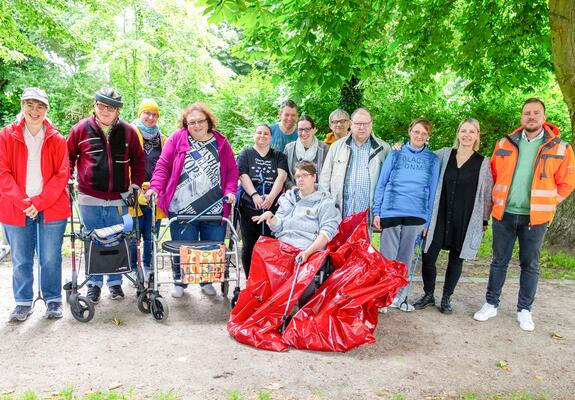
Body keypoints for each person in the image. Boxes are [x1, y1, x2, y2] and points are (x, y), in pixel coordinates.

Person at [473, 98, 575, 331]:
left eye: (536, 113)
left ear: (544, 117)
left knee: (530, 264)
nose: (531, 116)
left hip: (535, 218)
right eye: (527, 113)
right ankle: (490, 304)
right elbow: (494, 176)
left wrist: (550, 202)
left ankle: (524, 310)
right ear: (521, 117)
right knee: (499, 261)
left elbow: (568, 182)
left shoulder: (560, 147)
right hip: (504, 213)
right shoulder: (504, 143)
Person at [145, 102, 238, 297]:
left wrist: (230, 190)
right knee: (183, 245)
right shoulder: (177, 139)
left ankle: (207, 282)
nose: (196, 125)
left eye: (200, 121)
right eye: (191, 122)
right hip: (182, 206)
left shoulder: (221, 142)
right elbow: (163, 166)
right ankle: (180, 283)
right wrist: (154, 187)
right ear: (186, 124)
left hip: (214, 207)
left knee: (212, 247)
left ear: (208, 122)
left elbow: (231, 170)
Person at [68, 87, 145, 303]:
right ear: (94, 106)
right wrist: (69, 178)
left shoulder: (129, 131)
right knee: (93, 240)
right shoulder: (80, 129)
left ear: (118, 111)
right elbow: (69, 156)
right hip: (89, 197)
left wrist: (135, 184)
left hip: (120, 198)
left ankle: (115, 283)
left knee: (116, 240)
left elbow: (139, 161)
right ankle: (93, 284)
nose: (105, 111)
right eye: (101, 106)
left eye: (110, 108)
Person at [0, 88, 70, 321]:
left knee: (50, 257)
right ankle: (22, 302)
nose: (34, 110)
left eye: (40, 106)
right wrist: (23, 202)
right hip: (15, 206)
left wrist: (38, 203)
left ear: (46, 109)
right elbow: (3, 173)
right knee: (21, 258)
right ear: (22, 106)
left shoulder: (57, 138)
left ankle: (53, 300)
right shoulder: (6, 136)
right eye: (30, 104)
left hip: (50, 207)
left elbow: (62, 175)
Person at [413, 118, 493, 314]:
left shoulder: (483, 163)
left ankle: (447, 297)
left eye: (471, 132)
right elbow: (420, 158)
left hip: (464, 217)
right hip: (439, 214)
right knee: (428, 255)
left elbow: (486, 194)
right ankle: (429, 294)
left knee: (457, 259)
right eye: (463, 131)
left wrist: (483, 219)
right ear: (458, 133)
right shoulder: (443, 155)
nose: (467, 135)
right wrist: (401, 147)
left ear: (477, 135)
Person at [372, 118, 440, 312]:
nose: (419, 136)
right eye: (416, 131)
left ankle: (400, 297)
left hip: (417, 213)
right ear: (409, 131)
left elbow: (432, 190)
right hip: (391, 209)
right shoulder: (395, 153)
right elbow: (382, 183)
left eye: (424, 134)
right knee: (387, 257)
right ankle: (383, 298)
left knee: (405, 257)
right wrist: (378, 210)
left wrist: (427, 220)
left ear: (428, 137)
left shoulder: (433, 159)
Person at [254, 160, 341, 264]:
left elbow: (326, 233)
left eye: (305, 175)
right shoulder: (288, 198)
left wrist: (307, 253)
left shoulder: (325, 202)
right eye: (297, 176)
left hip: (307, 251)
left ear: (314, 177)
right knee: (259, 252)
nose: (300, 179)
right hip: (283, 248)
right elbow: (278, 227)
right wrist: (271, 218)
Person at [237, 124, 288, 278]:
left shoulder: (278, 155)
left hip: (272, 205)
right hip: (249, 204)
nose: (262, 136)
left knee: (270, 244)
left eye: (266, 133)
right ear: (254, 135)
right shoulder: (246, 153)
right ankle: (250, 279)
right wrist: (254, 195)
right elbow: (243, 175)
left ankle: (267, 280)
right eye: (259, 132)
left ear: (271, 137)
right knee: (249, 244)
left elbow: (282, 176)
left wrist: (271, 198)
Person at [319, 107, 390, 218]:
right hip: (339, 213)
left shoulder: (383, 149)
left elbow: (388, 182)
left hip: (367, 216)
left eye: (366, 123)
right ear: (351, 124)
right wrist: (325, 207)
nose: (362, 127)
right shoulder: (336, 147)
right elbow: (324, 180)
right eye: (358, 123)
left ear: (371, 124)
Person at [129, 99, 167, 281]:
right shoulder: (129, 133)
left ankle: (148, 266)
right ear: (140, 114)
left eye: (154, 114)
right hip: (133, 192)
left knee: (151, 235)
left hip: (155, 193)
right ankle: (133, 268)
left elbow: (166, 167)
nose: (151, 117)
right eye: (147, 113)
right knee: (133, 234)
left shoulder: (163, 139)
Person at [284, 115, 329, 188]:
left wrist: (314, 190)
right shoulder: (289, 149)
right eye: (300, 129)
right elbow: (284, 174)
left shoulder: (324, 149)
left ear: (314, 130)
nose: (304, 133)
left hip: (317, 193)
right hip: (294, 193)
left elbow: (328, 175)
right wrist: (293, 188)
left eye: (307, 129)